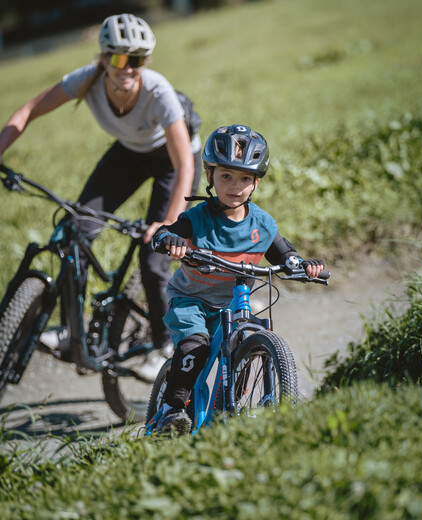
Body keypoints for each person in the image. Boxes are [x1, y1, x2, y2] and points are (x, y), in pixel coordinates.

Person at [0, 14, 202, 368]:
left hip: (173, 159)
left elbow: (184, 162)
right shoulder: (86, 80)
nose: (128, 69)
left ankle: (164, 346)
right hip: (128, 153)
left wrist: (169, 222)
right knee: (75, 231)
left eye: (137, 60)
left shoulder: (157, 90)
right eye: (120, 58)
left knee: (154, 255)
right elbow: (29, 110)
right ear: (105, 57)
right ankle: (68, 331)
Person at [150, 124, 325, 435]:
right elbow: (168, 233)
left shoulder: (262, 224)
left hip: (231, 303)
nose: (235, 185)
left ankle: (230, 411)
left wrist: (302, 265)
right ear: (210, 176)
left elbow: (284, 253)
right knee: (195, 345)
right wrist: (169, 241)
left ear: (256, 182)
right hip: (192, 300)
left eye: (245, 178)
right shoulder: (198, 218)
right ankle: (170, 408)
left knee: (242, 341)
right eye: (226, 176)